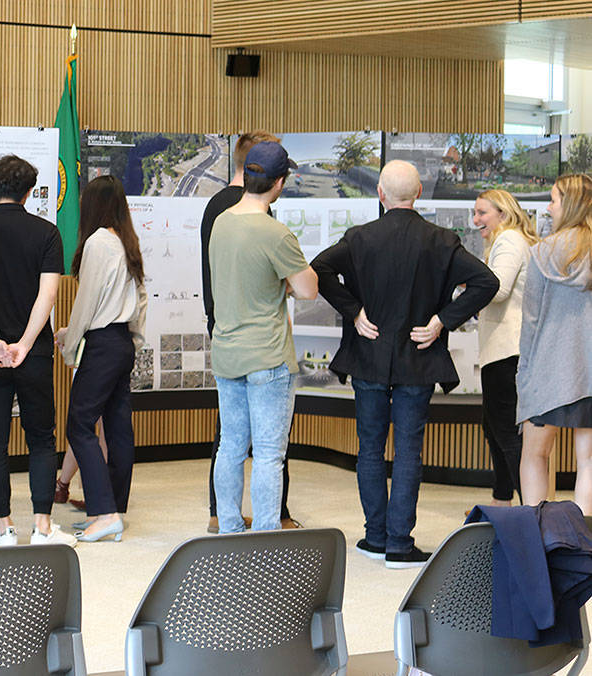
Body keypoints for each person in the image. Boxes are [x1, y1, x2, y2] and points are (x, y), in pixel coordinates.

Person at [313, 160, 497, 567]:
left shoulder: (359, 238)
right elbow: (487, 282)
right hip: (419, 359)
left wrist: (353, 311)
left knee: (370, 451)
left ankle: (375, 538)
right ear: (418, 195)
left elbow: (319, 270)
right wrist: (442, 320)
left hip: (369, 359)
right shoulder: (442, 240)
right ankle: (400, 544)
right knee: (409, 451)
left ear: (380, 194)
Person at [0, 154, 76, 548]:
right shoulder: (46, 232)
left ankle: (4, 527)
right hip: (33, 352)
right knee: (41, 437)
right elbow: (49, 293)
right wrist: (24, 342)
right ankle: (42, 526)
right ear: (28, 191)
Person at [208, 141, 318, 537]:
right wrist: (284, 284)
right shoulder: (277, 233)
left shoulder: (221, 222)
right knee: (269, 454)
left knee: (230, 448)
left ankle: (231, 528)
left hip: (226, 354)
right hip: (268, 358)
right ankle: (268, 532)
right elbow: (307, 289)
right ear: (279, 183)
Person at [54, 176, 147, 543]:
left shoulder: (97, 243)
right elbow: (138, 301)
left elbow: (88, 301)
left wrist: (70, 343)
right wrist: (129, 340)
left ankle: (105, 513)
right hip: (121, 342)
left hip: (103, 344)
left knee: (79, 424)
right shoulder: (126, 242)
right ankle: (114, 509)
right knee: (118, 426)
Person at [517, 174, 592, 514]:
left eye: (553, 200)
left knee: (535, 456)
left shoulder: (541, 254)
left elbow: (531, 322)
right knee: (588, 461)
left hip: (547, 372)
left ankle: (536, 538)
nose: (549, 208)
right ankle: (585, 547)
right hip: (589, 375)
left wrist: (525, 376)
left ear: (571, 205)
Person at [472, 189, 538, 505]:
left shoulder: (509, 240)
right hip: (503, 352)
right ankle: (503, 503)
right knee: (495, 429)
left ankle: (531, 512)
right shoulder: (510, 240)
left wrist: (465, 282)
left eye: (482, 212)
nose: (476, 220)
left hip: (506, 352)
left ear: (503, 212)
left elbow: (496, 290)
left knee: (506, 434)